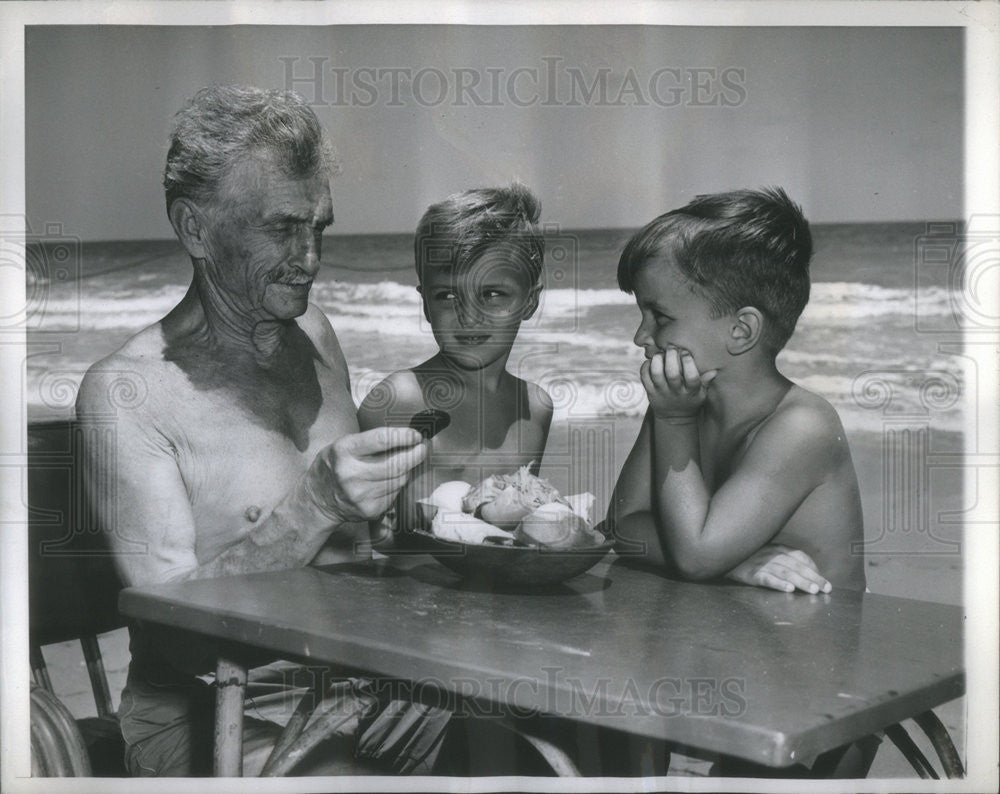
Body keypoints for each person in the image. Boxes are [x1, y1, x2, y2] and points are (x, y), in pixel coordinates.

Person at [75, 85, 437, 777]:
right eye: (282, 228)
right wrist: (318, 503)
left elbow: (361, 555)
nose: (310, 258)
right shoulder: (128, 394)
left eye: (320, 227)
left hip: (358, 689)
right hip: (205, 711)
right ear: (195, 229)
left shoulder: (315, 333)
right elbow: (174, 639)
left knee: (543, 753)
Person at [605, 187, 876, 775]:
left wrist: (675, 421)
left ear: (741, 330)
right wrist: (740, 562)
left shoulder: (802, 425)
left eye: (660, 316)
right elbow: (621, 530)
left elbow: (695, 552)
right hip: (730, 672)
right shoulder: (682, 403)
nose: (640, 336)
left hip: (815, 715)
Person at [357, 184, 553, 545]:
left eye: (492, 294)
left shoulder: (535, 408)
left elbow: (510, 533)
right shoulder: (399, 399)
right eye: (447, 296)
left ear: (529, 301)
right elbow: (366, 535)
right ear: (426, 304)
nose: (469, 316)